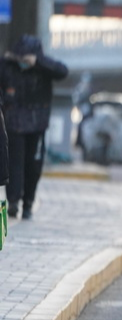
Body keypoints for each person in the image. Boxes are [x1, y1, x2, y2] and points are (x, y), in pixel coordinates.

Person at [0, 35, 68, 219]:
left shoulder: (44, 68)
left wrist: (38, 62)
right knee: (13, 164)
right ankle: (13, 201)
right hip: (13, 124)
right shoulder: (7, 66)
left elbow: (62, 71)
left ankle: (28, 202)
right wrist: (11, 58)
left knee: (33, 166)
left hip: (37, 125)